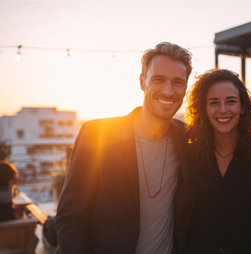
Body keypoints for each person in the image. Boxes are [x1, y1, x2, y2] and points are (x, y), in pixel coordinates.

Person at [55, 42, 193, 254]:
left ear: (185, 88)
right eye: (158, 79)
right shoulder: (98, 134)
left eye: (177, 82)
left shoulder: (187, 138)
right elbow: (70, 216)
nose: (168, 90)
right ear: (142, 81)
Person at [178, 69, 251, 253]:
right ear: (204, 110)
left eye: (231, 101)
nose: (223, 110)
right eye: (214, 103)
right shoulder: (189, 154)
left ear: (242, 108)